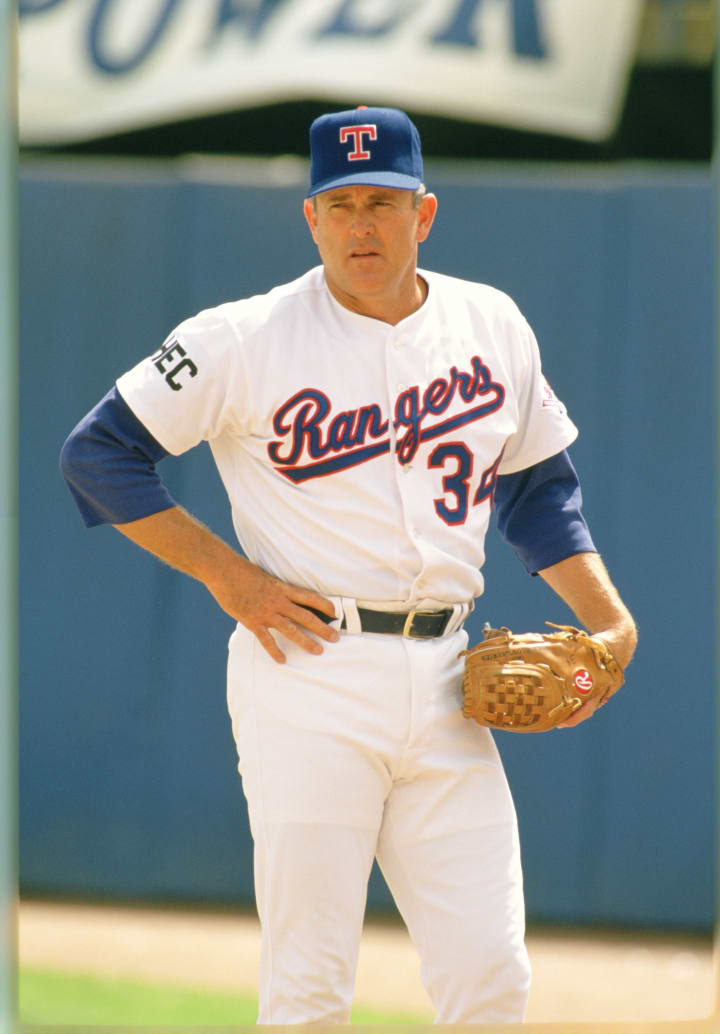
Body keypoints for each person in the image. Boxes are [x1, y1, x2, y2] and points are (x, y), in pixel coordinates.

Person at [60, 105, 637, 1024]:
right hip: (310, 674)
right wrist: (232, 579)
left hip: (450, 678)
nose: (361, 225)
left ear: (424, 214)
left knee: (492, 973)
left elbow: (536, 492)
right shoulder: (242, 337)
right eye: (341, 204)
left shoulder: (491, 322)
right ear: (312, 218)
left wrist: (609, 621)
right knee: (310, 986)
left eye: (382, 203)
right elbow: (98, 454)